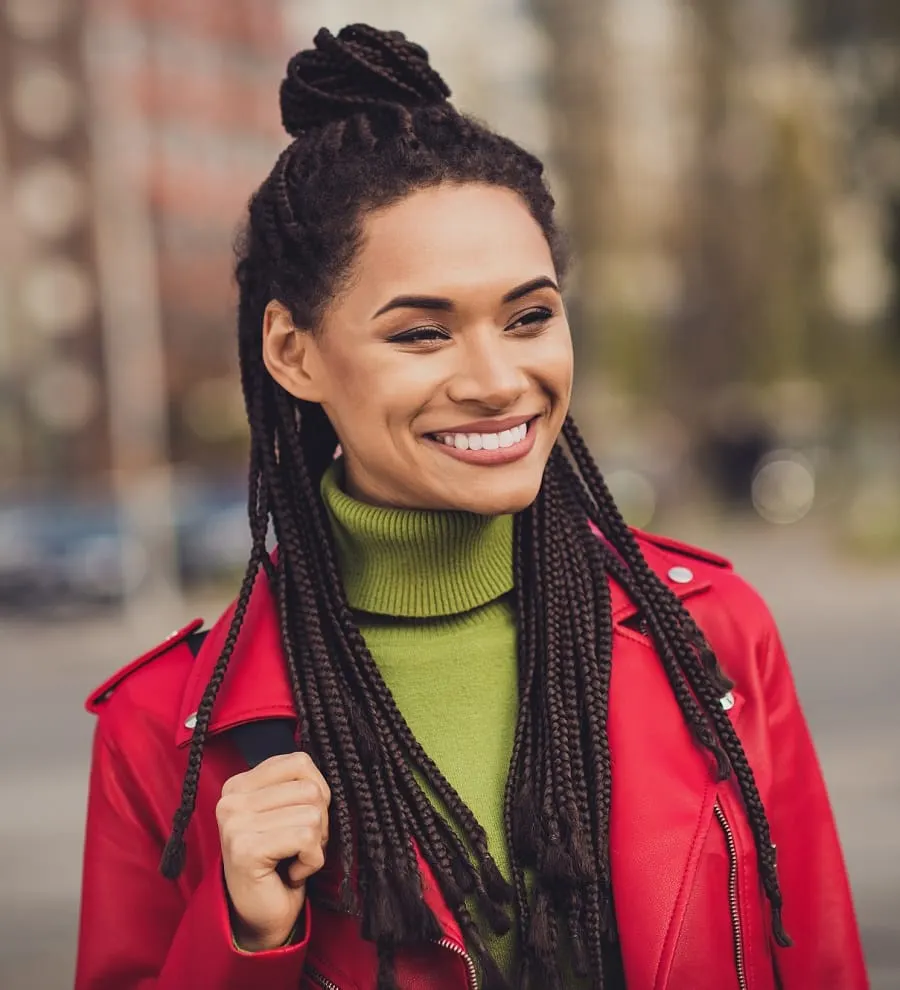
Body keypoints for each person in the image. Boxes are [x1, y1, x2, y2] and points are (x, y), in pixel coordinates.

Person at [74, 23, 868, 990]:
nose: (499, 380)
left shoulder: (712, 638)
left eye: (530, 316)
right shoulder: (165, 732)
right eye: (422, 333)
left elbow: (821, 964)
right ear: (293, 352)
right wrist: (241, 936)